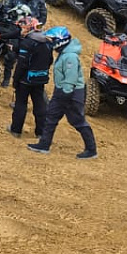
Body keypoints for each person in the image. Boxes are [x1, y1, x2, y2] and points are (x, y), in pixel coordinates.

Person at [27, 26, 98, 159]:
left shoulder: (70, 56)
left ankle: (91, 149)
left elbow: (70, 78)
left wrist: (65, 93)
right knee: (51, 117)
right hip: (62, 91)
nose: (50, 42)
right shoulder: (64, 53)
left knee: (77, 120)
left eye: (52, 40)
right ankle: (44, 144)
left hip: (70, 93)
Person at [6, 15, 52, 137]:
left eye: (23, 27)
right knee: (40, 105)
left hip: (25, 80)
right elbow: (50, 61)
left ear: (29, 28)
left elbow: (22, 64)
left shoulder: (27, 43)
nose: (21, 29)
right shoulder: (47, 43)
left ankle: (16, 130)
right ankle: (41, 133)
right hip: (41, 79)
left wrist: (15, 80)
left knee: (21, 104)